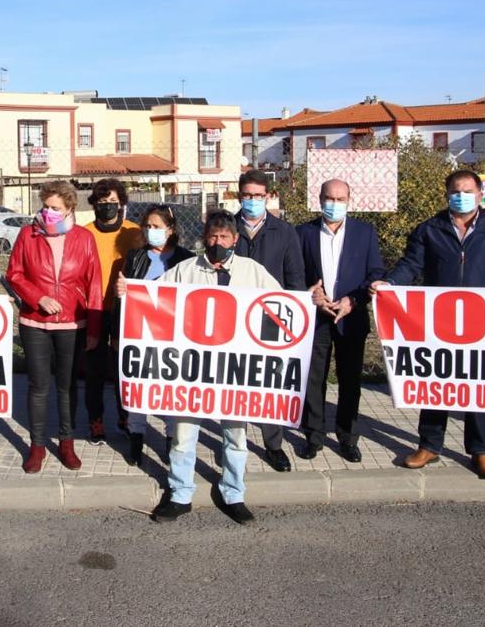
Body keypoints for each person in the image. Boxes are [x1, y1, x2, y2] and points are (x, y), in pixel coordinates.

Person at [372, 170, 485, 479]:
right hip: (438, 323)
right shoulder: (429, 230)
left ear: (480, 195)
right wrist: (389, 284)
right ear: (446, 195)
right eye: (455, 191)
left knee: (478, 389)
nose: (461, 196)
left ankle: (481, 452)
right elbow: (411, 265)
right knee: (437, 385)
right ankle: (429, 445)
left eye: (467, 191)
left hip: (482, 324)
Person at [119, 211, 279, 524]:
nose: (217, 242)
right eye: (212, 237)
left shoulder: (253, 272)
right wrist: (129, 294)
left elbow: (280, 305)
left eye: (224, 237)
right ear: (204, 238)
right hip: (191, 369)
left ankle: (233, 492)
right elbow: (153, 300)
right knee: (182, 433)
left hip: (234, 369)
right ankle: (180, 493)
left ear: (235, 240)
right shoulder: (185, 270)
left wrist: (310, 300)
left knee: (235, 435)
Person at [6, 180, 103, 473]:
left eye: (55, 208)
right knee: (38, 386)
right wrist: (39, 298)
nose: (48, 212)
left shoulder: (84, 238)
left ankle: (66, 443)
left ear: (70, 208)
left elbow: (94, 283)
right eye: (45, 206)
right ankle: (36, 446)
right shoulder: (28, 235)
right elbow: (15, 274)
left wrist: (95, 329)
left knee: (67, 386)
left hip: (72, 323)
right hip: (35, 322)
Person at [296, 180, 385, 463]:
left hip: (351, 316)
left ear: (349, 199)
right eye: (329, 198)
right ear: (319, 199)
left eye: (340, 198)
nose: (334, 203)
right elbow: (295, 272)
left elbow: (375, 272)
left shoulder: (365, 233)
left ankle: (347, 436)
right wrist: (312, 292)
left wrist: (354, 300)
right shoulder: (304, 233)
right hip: (317, 317)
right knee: (314, 379)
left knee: (349, 380)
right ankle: (314, 435)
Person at [233, 169, 306, 472]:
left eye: (258, 196)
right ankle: (234, 441)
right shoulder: (227, 227)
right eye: (247, 195)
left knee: (269, 384)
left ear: (268, 197)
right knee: (235, 382)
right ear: (239, 196)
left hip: (272, 319)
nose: (252, 201)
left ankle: (273, 445)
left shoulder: (284, 231)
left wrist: (297, 316)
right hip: (234, 317)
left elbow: (295, 277)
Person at [115, 204, 195, 465]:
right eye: (147, 226)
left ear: (170, 230)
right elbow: (126, 296)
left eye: (157, 227)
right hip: (140, 333)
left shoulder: (186, 258)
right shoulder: (135, 257)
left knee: (170, 387)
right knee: (140, 385)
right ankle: (136, 435)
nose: (151, 231)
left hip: (174, 335)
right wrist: (121, 293)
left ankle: (172, 439)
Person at [81, 178, 143, 443]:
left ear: (122, 205)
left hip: (124, 310)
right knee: (93, 371)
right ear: (94, 204)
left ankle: (125, 416)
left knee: (123, 368)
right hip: (93, 309)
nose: (107, 207)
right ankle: (95, 421)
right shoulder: (83, 233)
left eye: (113, 203)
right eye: (102, 202)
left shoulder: (134, 232)